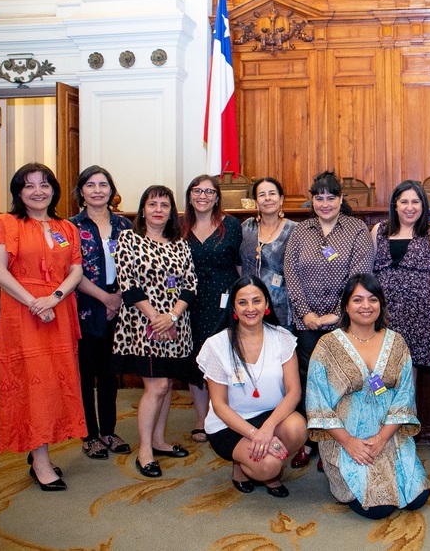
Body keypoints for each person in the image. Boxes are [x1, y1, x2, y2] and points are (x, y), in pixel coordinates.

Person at [0, 163, 85, 491]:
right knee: (33, 385)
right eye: (29, 185)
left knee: (55, 384)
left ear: (53, 189)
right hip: (23, 316)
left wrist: (53, 298)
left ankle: (42, 449)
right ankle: (39, 460)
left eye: (44, 184)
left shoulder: (66, 228)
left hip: (58, 313)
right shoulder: (4, 224)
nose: (38, 191)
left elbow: (76, 270)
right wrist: (34, 302)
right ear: (18, 192)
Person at [306, 274, 430, 519]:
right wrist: (349, 442)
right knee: (379, 508)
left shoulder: (397, 342)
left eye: (373, 299)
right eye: (358, 300)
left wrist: (382, 439)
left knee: (418, 498)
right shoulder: (327, 345)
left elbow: (404, 396)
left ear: (381, 304)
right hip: (346, 437)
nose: (366, 306)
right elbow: (317, 403)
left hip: (388, 434)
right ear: (346, 306)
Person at [284, 171, 374, 468]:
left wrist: (338, 313)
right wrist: (306, 313)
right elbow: (291, 274)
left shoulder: (356, 229)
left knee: (341, 380)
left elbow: (359, 274)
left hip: (344, 320)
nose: (324, 203)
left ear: (340, 199)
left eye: (331, 197)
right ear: (312, 200)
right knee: (310, 380)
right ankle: (310, 442)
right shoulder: (301, 230)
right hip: (307, 321)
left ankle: (336, 442)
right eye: (319, 197)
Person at [114, 185, 197, 478]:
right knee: (157, 386)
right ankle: (145, 450)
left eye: (164, 204)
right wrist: (156, 319)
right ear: (143, 209)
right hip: (143, 325)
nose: (158, 209)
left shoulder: (180, 244)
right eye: (152, 204)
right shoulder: (128, 239)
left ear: (172, 211)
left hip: (175, 325)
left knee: (167, 385)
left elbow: (189, 284)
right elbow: (128, 283)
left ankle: (160, 441)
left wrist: (172, 317)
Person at [197, 276, 307, 497]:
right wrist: (254, 434)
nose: (250, 308)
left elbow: (294, 392)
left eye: (256, 301)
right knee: (267, 466)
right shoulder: (217, 345)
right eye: (243, 302)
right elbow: (219, 405)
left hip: (269, 417)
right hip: (229, 424)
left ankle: (265, 467)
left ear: (267, 303)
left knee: (298, 428)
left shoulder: (282, 338)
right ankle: (245, 467)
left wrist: (267, 429)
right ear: (234, 307)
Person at [69, 166, 133, 460]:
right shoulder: (70, 227)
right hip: (85, 306)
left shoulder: (124, 226)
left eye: (103, 184)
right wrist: (105, 299)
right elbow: (72, 272)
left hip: (118, 306)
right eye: (90, 185)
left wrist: (117, 298)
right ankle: (89, 435)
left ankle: (108, 430)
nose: (97, 190)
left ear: (111, 189)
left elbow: (133, 267)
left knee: (110, 374)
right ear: (81, 191)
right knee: (85, 373)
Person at [183, 175, 242, 444]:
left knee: (226, 357)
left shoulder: (231, 225)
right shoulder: (179, 225)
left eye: (209, 191)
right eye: (198, 190)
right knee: (196, 359)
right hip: (190, 301)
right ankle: (200, 418)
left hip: (225, 299)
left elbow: (240, 266)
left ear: (217, 197)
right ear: (190, 195)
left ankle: (227, 415)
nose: (203, 195)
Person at [371, 180, 430, 370]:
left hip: (419, 312)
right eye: (404, 202)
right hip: (385, 310)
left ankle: (407, 401)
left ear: (423, 205)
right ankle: (382, 401)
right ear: (395, 205)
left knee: (409, 366)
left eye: (415, 202)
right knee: (380, 362)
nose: (410, 207)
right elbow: (369, 270)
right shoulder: (379, 230)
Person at [240, 177, 297, 328]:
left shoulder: (295, 230)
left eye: (272, 193)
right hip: (248, 308)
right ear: (256, 201)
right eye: (262, 195)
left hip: (281, 307)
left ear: (281, 199)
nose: (267, 199)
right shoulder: (246, 227)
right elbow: (238, 264)